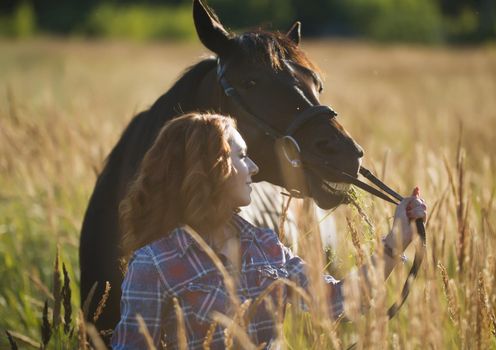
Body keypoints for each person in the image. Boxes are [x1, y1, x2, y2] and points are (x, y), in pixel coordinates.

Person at [111, 113, 427, 349]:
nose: (254, 168)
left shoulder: (264, 244)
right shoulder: (153, 264)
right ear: (211, 167)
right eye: (242, 156)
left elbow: (339, 301)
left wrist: (396, 240)